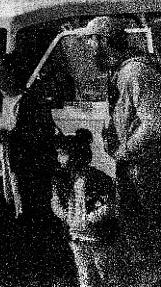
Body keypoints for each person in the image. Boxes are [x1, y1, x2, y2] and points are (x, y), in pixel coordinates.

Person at [86, 16, 161, 261]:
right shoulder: (119, 71)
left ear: (104, 41)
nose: (88, 47)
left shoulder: (136, 71)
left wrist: (124, 150)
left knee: (150, 230)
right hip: (132, 167)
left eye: (91, 40)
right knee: (136, 229)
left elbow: (154, 123)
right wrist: (110, 128)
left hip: (146, 166)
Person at [0, 52, 54, 226]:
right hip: (0, 164)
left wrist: (13, 137)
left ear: (10, 71)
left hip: (25, 168)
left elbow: (42, 134)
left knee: (29, 214)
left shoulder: (29, 99)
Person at [52, 129, 124, 287]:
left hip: (98, 236)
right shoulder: (60, 179)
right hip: (76, 236)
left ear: (77, 154)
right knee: (84, 274)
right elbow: (55, 202)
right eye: (58, 153)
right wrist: (63, 214)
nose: (59, 158)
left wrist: (89, 218)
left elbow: (109, 206)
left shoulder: (98, 178)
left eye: (63, 153)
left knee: (105, 272)